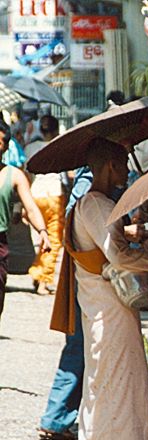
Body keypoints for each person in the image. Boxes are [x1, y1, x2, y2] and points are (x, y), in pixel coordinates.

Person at [53, 138, 148, 440]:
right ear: (108, 166)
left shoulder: (95, 205)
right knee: (118, 390)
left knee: (111, 387)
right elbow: (117, 255)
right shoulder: (97, 204)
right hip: (110, 313)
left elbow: (111, 241)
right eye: (123, 163)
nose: (128, 170)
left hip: (103, 310)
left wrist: (132, 232)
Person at [38, 167, 92, 440]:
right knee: (79, 347)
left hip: (84, 278)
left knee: (80, 348)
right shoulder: (88, 186)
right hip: (86, 278)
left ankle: (58, 417)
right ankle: (56, 417)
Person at [0, 119, 50, 318]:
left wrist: (43, 232)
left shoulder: (14, 175)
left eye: (0, 141)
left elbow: (30, 207)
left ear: (6, 146)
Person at [25, 115, 65, 295]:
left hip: (36, 196)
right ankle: (43, 281)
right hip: (54, 195)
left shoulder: (30, 147)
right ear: (56, 130)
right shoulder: (60, 145)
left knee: (40, 238)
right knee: (53, 240)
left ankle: (37, 272)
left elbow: (26, 173)